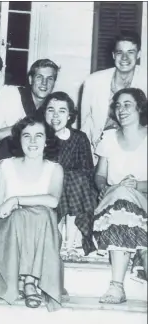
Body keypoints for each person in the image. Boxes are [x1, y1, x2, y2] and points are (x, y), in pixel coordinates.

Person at [0, 115, 64, 311]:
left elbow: (53, 200)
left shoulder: (55, 169)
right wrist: (14, 206)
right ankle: (27, 281)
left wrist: (17, 200)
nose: (33, 142)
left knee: (42, 213)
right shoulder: (5, 165)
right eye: (27, 136)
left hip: (43, 230)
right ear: (18, 139)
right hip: (10, 230)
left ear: (47, 140)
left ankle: (29, 280)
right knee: (27, 215)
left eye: (39, 136)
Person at [93, 88, 147, 304]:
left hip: (143, 201)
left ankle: (117, 286)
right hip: (113, 204)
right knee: (121, 199)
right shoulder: (108, 138)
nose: (121, 110)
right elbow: (100, 176)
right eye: (117, 105)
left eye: (127, 104)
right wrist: (105, 188)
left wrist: (138, 185)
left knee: (125, 196)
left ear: (140, 107)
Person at [40, 92, 98, 259]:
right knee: (64, 181)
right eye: (51, 110)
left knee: (76, 181)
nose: (55, 115)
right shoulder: (41, 136)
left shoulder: (79, 138)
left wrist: (67, 177)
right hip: (48, 186)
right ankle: (57, 240)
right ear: (44, 113)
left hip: (75, 190)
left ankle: (70, 242)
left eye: (62, 111)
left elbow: (88, 169)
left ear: (70, 115)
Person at [81, 31, 147, 160]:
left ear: (138, 54)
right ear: (113, 55)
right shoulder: (93, 82)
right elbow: (85, 123)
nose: (124, 58)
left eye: (130, 52)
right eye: (119, 52)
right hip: (97, 153)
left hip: (137, 154)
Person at [0, 59, 59, 161]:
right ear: (31, 80)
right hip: (0, 156)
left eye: (50, 79)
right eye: (40, 77)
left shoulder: (51, 106)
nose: (44, 83)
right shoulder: (13, 95)